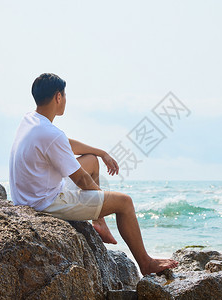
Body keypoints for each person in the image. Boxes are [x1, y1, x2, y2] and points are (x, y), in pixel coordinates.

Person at [9, 73, 178, 275]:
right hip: (44, 203)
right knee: (124, 202)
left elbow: (64, 144)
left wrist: (101, 152)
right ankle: (146, 263)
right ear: (58, 97)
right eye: (65, 95)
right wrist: (102, 203)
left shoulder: (31, 120)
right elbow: (80, 179)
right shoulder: (50, 134)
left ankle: (97, 221)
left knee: (91, 160)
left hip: (27, 197)